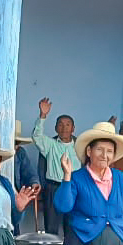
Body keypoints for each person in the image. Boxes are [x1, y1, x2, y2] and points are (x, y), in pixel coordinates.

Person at [32, 98, 78, 235]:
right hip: (54, 188)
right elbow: (37, 136)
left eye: (68, 125)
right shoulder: (50, 145)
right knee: (51, 229)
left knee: (73, 228)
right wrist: (43, 115)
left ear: (73, 128)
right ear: (56, 128)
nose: (64, 128)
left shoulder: (80, 146)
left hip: (73, 189)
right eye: (60, 125)